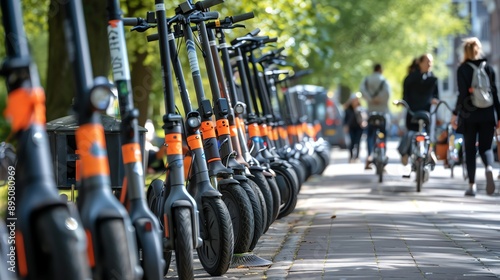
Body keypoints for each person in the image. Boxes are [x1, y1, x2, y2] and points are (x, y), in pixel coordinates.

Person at [450, 37, 500, 196]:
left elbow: (462, 94)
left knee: (470, 150)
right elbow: (495, 94)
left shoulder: (463, 69)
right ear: (478, 50)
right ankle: (489, 168)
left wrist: (455, 114)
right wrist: (498, 116)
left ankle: (472, 185)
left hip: (469, 115)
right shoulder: (489, 68)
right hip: (487, 113)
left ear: (465, 51)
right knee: (486, 148)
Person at [398, 54, 439, 165]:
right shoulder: (410, 78)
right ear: (419, 63)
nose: (429, 64)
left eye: (431, 61)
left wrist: (435, 100)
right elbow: (405, 95)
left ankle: (430, 151)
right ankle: (405, 153)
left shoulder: (433, 79)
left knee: (429, 134)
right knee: (410, 134)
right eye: (427, 61)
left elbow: (436, 96)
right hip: (413, 112)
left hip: (427, 113)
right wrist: (403, 103)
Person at [359, 63, 391, 170]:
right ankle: (383, 156)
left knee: (370, 135)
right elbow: (387, 94)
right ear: (381, 69)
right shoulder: (384, 80)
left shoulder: (367, 79)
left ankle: (369, 156)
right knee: (384, 135)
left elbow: (362, 90)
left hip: (371, 111)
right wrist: (379, 99)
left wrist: (370, 99)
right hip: (382, 111)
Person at [343, 94, 367, 163]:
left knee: (358, 142)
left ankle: (357, 157)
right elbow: (345, 119)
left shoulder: (361, 108)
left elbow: (364, 117)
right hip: (351, 128)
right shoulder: (348, 109)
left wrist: (364, 122)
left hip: (359, 128)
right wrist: (346, 126)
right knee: (351, 143)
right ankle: (351, 157)